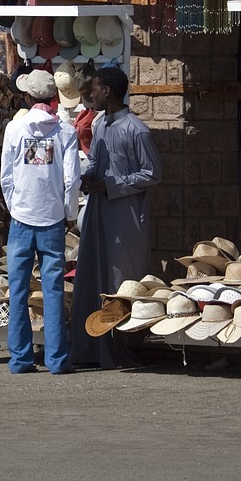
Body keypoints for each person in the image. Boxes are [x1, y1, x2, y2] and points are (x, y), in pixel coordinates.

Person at [71, 66, 162, 369]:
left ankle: (123, 351)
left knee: (120, 281)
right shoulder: (100, 126)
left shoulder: (136, 129)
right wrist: (84, 177)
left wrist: (110, 186)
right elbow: (96, 161)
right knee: (93, 276)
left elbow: (151, 174)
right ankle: (92, 348)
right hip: (98, 212)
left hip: (124, 219)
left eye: (95, 88)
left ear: (107, 91)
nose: (91, 93)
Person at [0, 69, 80, 375]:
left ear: (28, 97)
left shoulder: (16, 129)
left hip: (21, 217)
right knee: (53, 290)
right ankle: (57, 359)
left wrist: (15, 207)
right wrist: (69, 214)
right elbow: (72, 179)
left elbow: (6, 177)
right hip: (52, 218)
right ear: (55, 98)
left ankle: (20, 359)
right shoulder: (65, 131)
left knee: (18, 290)